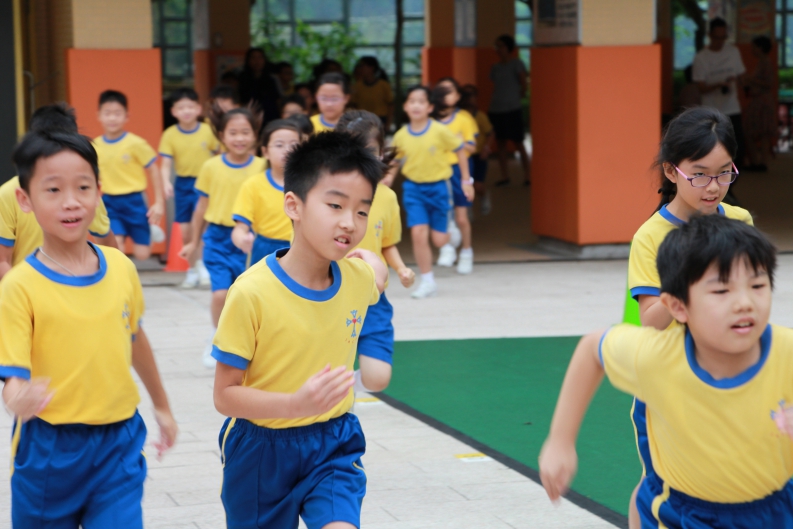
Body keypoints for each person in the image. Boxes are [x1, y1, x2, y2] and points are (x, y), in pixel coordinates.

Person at [539, 213, 793, 528]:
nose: (745, 303)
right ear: (677, 307)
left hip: (775, 511)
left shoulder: (786, 353)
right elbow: (593, 349)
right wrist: (560, 441)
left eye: (757, 285)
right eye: (721, 291)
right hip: (683, 514)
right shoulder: (658, 357)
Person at [1, 128, 177, 527]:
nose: (70, 202)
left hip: (118, 443)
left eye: (82, 187)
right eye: (53, 190)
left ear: (98, 191)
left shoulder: (121, 268)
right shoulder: (18, 287)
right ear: (25, 200)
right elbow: (12, 377)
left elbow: (135, 338)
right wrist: (18, 399)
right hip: (49, 449)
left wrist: (162, 407)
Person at [211, 131, 387, 529]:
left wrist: (378, 264)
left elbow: (376, 278)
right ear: (294, 205)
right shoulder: (251, 293)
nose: (350, 222)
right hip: (261, 450)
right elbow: (224, 395)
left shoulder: (357, 278)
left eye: (362, 211)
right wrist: (294, 404)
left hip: (334, 442)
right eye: (335, 205)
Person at [625, 106, 750, 528]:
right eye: (699, 174)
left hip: (728, 376)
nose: (713, 187)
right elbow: (650, 320)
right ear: (671, 171)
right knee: (663, 483)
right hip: (667, 382)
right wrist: (691, 276)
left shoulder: (740, 221)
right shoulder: (651, 237)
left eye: (723, 173)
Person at [180, 106, 265, 368]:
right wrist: (194, 242)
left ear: (255, 134)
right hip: (217, 238)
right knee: (220, 294)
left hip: (251, 239)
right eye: (233, 132)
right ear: (221, 135)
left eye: (245, 132)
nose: (239, 138)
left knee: (250, 297)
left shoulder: (263, 166)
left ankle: (252, 344)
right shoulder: (211, 166)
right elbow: (201, 208)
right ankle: (216, 338)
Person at [337, 110, 416, 392]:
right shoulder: (324, 193)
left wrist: (401, 268)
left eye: (369, 151)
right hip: (330, 295)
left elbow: (387, 243)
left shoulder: (387, 197)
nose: (362, 159)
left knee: (378, 378)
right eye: (353, 152)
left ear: (381, 153)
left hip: (373, 297)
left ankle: (345, 392)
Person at [0, 103, 118, 279]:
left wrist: (115, 276)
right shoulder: (7, 195)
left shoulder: (86, 193)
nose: (71, 203)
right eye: (53, 190)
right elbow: (2, 260)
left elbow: (107, 241)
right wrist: (23, 292)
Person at [391, 86, 473, 299]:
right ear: (405, 107)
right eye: (412, 101)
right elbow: (395, 161)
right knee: (418, 232)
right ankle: (428, 281)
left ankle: (450, 232)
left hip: (439, 188)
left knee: (439, 241)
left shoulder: (439, 130)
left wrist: (466, 181)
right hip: (413, 189)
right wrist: (387, 180)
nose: (416, 105)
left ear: (429, 107)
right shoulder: (401, 136)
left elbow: (460, 150)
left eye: (421, 101)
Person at [93, 90, 166, 260]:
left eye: (117, 113)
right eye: (107, 113)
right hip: (109, 201)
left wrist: (159, 202)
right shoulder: (95, 145)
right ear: (99, 116)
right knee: (116, 246)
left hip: (135, 201)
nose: (112, 118)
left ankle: (149, 231)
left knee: (142, 254)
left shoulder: (136, 143)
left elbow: (153, 169)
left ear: (127, 116)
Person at [159, 88, 220, 289]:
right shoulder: (169, 134)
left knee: (201, 228)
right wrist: (166, 182)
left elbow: (220, 156)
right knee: (186, 232)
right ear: (173, 111)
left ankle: (203, 267)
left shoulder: (208, 130)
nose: (186, 111)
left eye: (190, 107)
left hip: (206, 185)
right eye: (181, 107)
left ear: (198, 109)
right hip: (183, 185)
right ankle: (192, 270)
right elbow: (165, 164)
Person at [231, 119, 300, 266]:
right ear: (265, 152)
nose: (287, 150)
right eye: (279, 145)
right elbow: (240, 228)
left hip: (301, 249)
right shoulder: (253, 185)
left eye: (294, 144)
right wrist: (242, 239)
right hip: (265, 251)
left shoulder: (312, 184)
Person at [432, 78, 479, 275]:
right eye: (442, 91)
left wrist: (456, 143)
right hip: (438, 170)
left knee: (461, 217)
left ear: (458, 96)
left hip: (459, 169)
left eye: (450, 91)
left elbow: (472, 147)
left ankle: (466, 252)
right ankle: (447, 248)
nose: (446, 95)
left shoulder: (464, 118)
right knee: (442, 213)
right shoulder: (430, 120)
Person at [692, 18, 746, 169]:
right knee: (713, 150)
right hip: (711, 111)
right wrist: (718, 85)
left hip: (732, 108)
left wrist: (742, 83)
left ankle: (731, 180)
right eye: (717, 37)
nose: (720, 41)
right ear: (710, 35)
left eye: (723, 37)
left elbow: (742, 77)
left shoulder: (733, 52)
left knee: (738, 150)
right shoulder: (701, 57)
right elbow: (701, 88)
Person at [488, 34, 530, 187]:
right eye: (496, 46)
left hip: (512, 109)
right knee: (500, 143)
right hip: (496, 109)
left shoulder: (517, 63)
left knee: (519, 143)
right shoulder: (495, 67)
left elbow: (523, 84)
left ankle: (528, 176)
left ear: (509, 48)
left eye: (501, 46)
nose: (498, 49)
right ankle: (504, 176)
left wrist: (516, 98)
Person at [461, 84, 494, 215]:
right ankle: (467, 208)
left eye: (472, 95)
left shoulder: (480, 116)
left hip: (478, 155)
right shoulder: (458, 116)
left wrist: (486, 148)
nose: (469, 98)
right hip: (463, 155)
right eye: (465, 95)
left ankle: (484, 195)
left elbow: (490, 133)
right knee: (464, 183)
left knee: (478, 185)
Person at [744, 36, 775, 172]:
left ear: (760, 48)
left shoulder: (765, 62)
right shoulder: (763, 62)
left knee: (759, 132)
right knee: (761, 132)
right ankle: (759, 161)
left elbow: (768, 83)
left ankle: (759, 162)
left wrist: (751, 80)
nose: (752, 50)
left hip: (762, 101)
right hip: (760, 100)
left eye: (754, 47)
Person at [237, 47, 280, 125]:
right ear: (248, 60)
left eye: (260, 57)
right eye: (253, 58)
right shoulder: (242, 78)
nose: (257, 61)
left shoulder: (272, 78)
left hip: (270, 117)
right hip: (249, 118)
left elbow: (278, 100)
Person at [350, 56, 394, 131]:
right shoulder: (357, 86)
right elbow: (353, 105)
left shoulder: (383, 85)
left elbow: (390, 105)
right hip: (362, 120)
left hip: (380, 119)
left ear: (371, 68)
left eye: (362, 66)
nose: (360, 69)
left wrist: (388, 123)